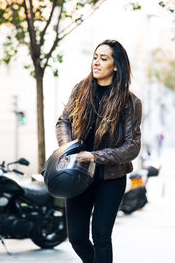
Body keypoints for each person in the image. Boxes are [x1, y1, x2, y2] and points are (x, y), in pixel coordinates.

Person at [55, 39, 142, 263]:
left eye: (103, 59)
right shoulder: (80, 90)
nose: (96, 62)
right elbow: (63, 122)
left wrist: (95, 156)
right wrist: (69, 149)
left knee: (102, 237)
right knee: (76, 237)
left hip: (110, 178)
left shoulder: (129, 102)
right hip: (78, 174)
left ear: (115, 65)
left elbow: (132, 147)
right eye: (95, 57)